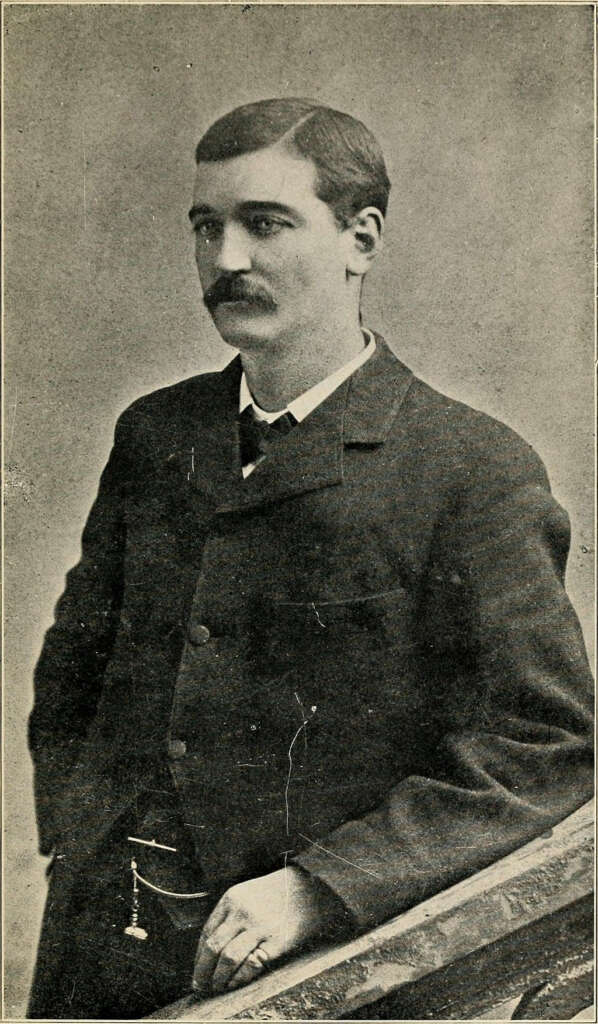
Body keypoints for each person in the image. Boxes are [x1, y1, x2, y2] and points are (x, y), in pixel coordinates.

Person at [28, 98, 593, 1019]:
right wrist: (84, 833)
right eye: (206, 228)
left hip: (316, 972)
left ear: (359, 239)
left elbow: (543, 744)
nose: (227, 261)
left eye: (265, 224)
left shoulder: (470, 467)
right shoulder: (157, 433)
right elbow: (76, 664)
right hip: (103, 948)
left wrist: (321, 889)